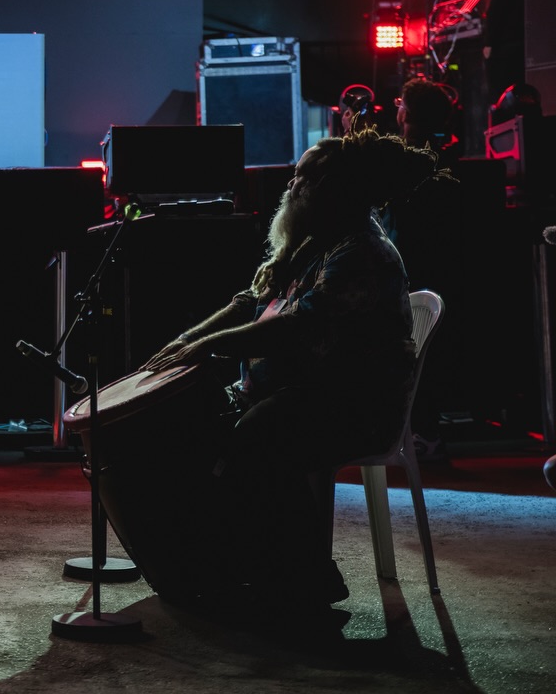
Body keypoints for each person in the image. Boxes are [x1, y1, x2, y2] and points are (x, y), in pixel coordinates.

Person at [143, 129, 442, 618]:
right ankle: (232, 566)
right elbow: (249, 304)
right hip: (306, 390)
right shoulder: (316, 243)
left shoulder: (360, 252)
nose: (290, 184)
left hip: (356, 406)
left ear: (330, 188)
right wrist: (186, 341)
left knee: (259, 434)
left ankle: (303, 583)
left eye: (301, 176)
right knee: (202, 424)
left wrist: (206, 348)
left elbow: (296, 327)